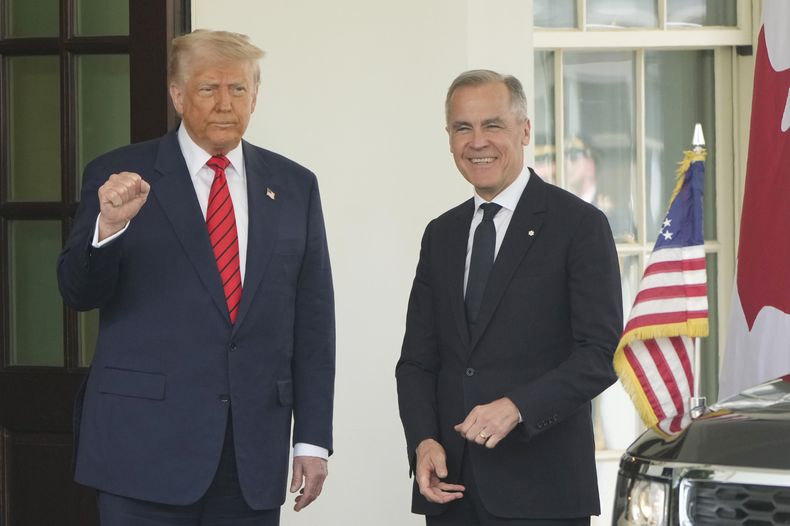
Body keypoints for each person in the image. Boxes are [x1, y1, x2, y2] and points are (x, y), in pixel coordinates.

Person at [57, 30, 335, 525]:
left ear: (256, 95)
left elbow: (314, 321)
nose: (225, 103)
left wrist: (312, 439)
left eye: (239, 89)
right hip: (142, 454)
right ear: (178, 94)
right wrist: (109, 228)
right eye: (209, 89)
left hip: (251, 456)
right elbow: (79, 292)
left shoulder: (294, 186)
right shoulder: (119, 174)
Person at [396, 70, 623, 525]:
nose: (477, 141)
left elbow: (599, 354)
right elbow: (418, 361)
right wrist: (423, 441)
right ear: (449, 138)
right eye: (463, 128)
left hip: (544, 493)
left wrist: (518, 407)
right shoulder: (440, 235)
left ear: (524, 130)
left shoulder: (578, 225)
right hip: (451, 490)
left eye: (492, 125)